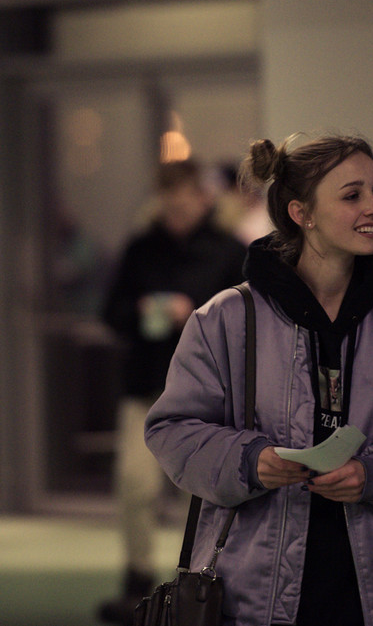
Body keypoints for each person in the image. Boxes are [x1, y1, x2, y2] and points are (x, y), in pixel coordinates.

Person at [144, 134, 373, 626]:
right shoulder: (225, 319)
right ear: (301, 213)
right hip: (251, 595)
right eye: (352, 196)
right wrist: (249, 460)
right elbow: (172, 430)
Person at [98, 159, 248, 625]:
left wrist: (195, 312)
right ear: (160, 199)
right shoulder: (140, 249)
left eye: (185, 196)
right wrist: (141, 310)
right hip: (145, 386)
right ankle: (137, 581)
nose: (178, 206)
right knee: (134, 486)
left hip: (207, 397)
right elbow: (111, 311)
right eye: (169, 197)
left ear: (202, 197)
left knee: (200, 495)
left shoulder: (229, 251)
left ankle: (198, 586)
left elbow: (249, 319)